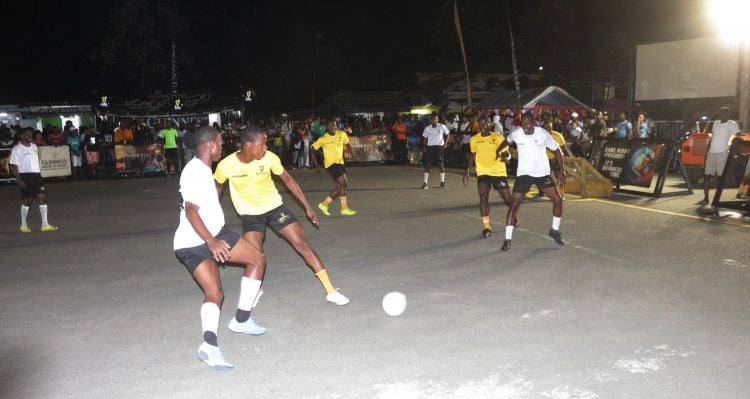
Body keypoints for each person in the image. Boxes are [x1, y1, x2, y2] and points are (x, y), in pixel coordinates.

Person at [214, 125, 350, 306]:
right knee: (255, 257)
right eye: (262, 144)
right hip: (250, 216)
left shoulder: (269, 158)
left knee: (303, 245)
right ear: (248, 145)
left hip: (276, 209)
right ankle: (256, 290)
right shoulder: (226, 165)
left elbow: (288, 180)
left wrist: (307, 207)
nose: (265, 148)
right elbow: (215, 189)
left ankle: (331, 291)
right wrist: (212, 218)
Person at [173, 126, 267, 371]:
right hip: (208, 236)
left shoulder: (201, 170)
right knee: (257, 260)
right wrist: (211, 241)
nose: (223, 145)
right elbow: (191, 210)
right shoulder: (195, 171)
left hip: (186, 244)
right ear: (210, 145)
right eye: (220, 142)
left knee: (215, 293)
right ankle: (242, 319)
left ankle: (209, 346)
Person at [502, 112, 566, 251]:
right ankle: (507, 239)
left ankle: (554, 230)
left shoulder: (543, 134)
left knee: (558, 200)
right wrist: (501, 151)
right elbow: (506, 141)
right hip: (524, 174)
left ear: (534, 122)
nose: (525, 127)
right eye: (523, 124)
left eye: (528, 124)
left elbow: (557, 151)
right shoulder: (517, 133)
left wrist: (561, 170)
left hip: (542, 174)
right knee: (514, 205)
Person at [462, 117, 515, 239]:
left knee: (507, 200)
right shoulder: (474, 139)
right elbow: (472, 155)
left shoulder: (498, 137)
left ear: (490, 124)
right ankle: (487, 227)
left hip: (498, 172)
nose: (483, 125)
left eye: (485, 123)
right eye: (481, 124)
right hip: (483, 172)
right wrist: (467, 171)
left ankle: (514, 217)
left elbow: (507, 153)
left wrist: (507, 158)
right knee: (483, 197)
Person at [9, 128, 58, 233]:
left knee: (43, 197)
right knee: (28, 201)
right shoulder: (17, 149)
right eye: (27, 135)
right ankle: (23, 225)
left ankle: (45, 224)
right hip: (25, 176)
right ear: (21, 136)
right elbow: (14, 166)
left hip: (36, 175)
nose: (30, 136)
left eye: (30, 134)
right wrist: (19, 179)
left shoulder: (35, 147)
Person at [696, 106, 741, 206]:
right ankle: (706, 199)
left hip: (722, 152)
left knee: (720, 177)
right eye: (720, 113)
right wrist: (707, 152)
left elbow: (738, 134)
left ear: (727, 115)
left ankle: (717, 200)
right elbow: (712, 138)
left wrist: (735, 141)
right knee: (706, 175)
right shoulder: (716, 123)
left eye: (723, 113)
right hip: (712, 153)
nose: (721, 115)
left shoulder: (732, 124)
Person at [311, 120, 357, 216]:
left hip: (340, 163)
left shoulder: (342, 134)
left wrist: (351, 153)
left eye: (335, 125)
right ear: (327, 128)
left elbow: (347, 144)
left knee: (340, 187)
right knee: (343, 184)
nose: (333, 126)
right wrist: (316, 164)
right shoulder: (323, 139)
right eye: (331, 125)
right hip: (330, 165)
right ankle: (344, 208)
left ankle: (324, 204)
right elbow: (312, 149)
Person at [420, 114, 450, 189]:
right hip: (430, 148)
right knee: (427, 165)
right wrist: (424, 147)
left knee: (441, 164)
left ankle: (442, 182)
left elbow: (447, 134)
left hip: (439, 147)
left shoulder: (442, 126)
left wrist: (445, 143)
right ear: (431, 120)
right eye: (433, 119)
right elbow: (424, 138)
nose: (434, 121)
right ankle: (425, 183)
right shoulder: (427, 128)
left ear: (438, 120)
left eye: (435, 119)